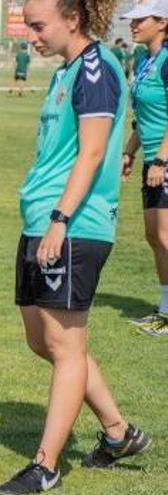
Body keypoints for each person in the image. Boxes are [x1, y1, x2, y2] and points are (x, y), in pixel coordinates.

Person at [0, 1, 152, 492]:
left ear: (74, 19)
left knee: (66, 347)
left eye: (38, 26)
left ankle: (45, 466)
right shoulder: (64, 72)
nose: (32, 37)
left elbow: (92, 150)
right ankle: (119, 432)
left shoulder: (95, 68)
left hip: (74, 226)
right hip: (40, 221)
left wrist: (61, 219)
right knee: (42, 340)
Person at [119, 1, 168, 335]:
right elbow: (145, 119)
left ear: (163, 21)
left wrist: (162, 159)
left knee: (165, 236)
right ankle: (164, 309)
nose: (133, 25)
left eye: (140, 19)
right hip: (151, 157)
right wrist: (130, 152)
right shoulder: (145, 59)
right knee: (155, 236)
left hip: (164, 160)